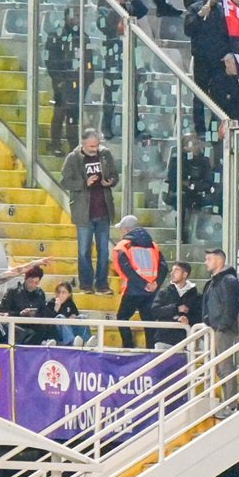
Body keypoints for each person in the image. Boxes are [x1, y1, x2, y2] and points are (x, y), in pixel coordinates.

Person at [60, 129, 118, 293]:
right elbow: (65, 181)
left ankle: (102, 284)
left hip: (104, 211)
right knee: (84, 251)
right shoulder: (73, 158)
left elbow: (115, 175)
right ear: (83, 144)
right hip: (84, 213)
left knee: (104, 251)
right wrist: (85, 183)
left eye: (97, 145)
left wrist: (110, 181)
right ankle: (86, 284)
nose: (95, 149)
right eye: (92, 146)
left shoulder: (105, 154)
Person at [112, 215, 166, 348]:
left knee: (122, 318)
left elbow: (127, 270)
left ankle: (128, 346)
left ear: (125, 230)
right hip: (151, 291)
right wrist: (155, 284)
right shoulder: (153, 245)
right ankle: (151, 349)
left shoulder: (123, 246)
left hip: (133, 289)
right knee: (149, 321)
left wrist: (143, 284)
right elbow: (164, 267)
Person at [150, 262, 202, 349]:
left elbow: (200, 316)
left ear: (185, 274)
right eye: (172, 270)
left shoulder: (196, 296)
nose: (172, 273)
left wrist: (188, 320)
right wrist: (176, 309)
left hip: (186, 341)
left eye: (176, 270)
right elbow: (155, 311)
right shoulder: (164, 292)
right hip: (164, 339)